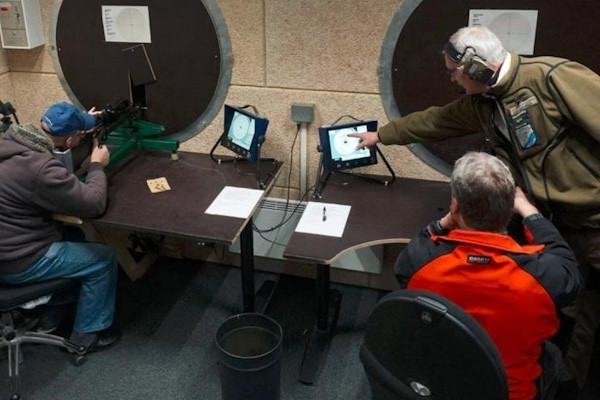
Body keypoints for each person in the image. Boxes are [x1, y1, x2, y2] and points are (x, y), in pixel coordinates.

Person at [351, 25, 600, 396]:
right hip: (556, 220)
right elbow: (434, 121)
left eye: (454, 71)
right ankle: (561, 372)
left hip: (594, 219)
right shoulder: (483, 103)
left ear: (476, 66)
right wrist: (381, 136)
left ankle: (570, 380)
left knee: (584, 302)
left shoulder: (552, 78)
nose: (452, 79)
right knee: (570, 302)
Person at [395, 152, 581, 400]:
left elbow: (418, 246)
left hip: (440, 387)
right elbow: (566, 262)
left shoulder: (420, 262)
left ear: (455, 207)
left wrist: (444, 222)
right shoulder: (544, 276)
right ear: (509, 210)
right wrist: (529, 211)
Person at [0, 101, 121, 352]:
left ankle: (49, 318)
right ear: (69, 141)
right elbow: (94, 204)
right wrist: (97, 165)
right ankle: (86, 337)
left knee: (74, 235)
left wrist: (82, 121)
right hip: (19, 261)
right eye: (79, 135)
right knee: (103, 259)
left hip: (6, 249)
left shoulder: (10, 142)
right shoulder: (41, 169)